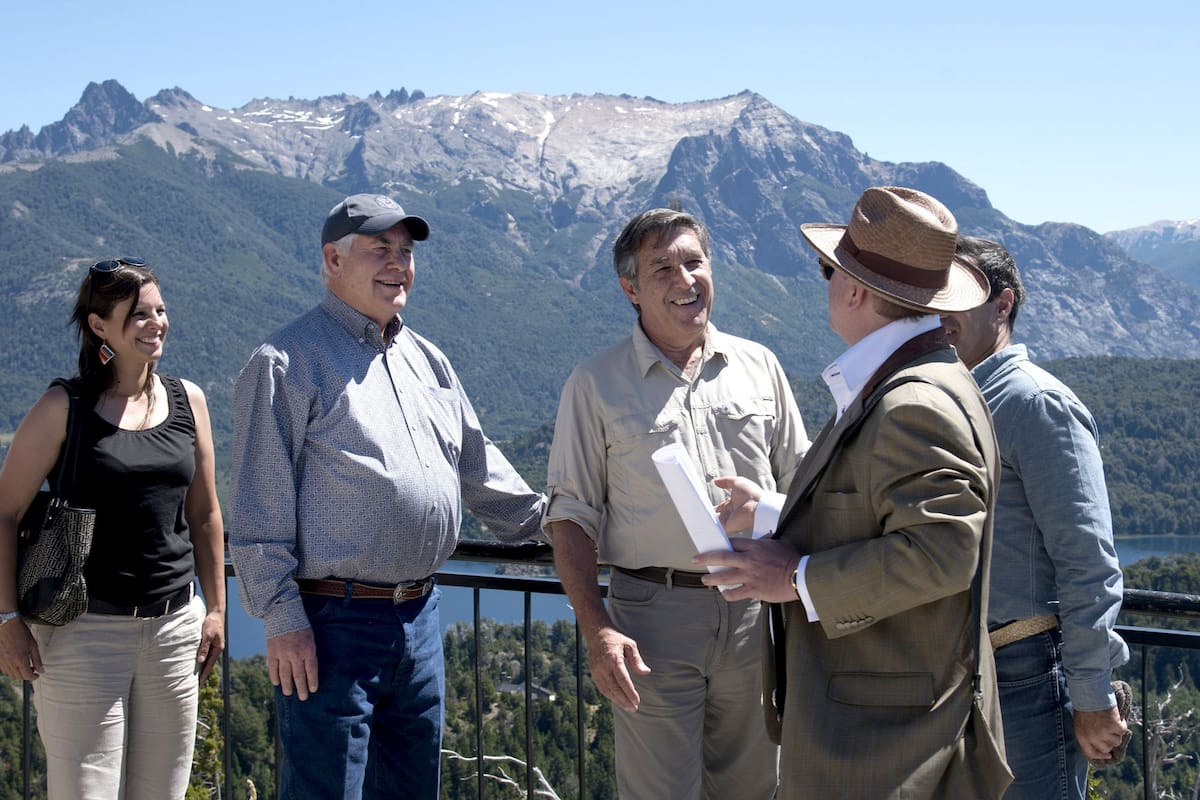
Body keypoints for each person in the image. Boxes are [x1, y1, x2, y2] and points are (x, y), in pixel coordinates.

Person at [695, 186, 1013, 798]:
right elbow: (877, 511)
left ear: (856, 290)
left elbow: (942, 553)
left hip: (886, 742)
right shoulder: (915, 383)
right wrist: (768, 511)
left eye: (826, 269)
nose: (826, 284)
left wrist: (796, 579)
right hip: (883, 729)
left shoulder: (913, 403)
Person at [229, 193, 547, 799]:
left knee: (409, 790)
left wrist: (563, 522)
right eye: (380, 250)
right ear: (333, 259)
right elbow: (257, 510)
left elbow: (482, 473)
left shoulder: (429, 360)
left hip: (421, 617)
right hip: (330, 626)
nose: (398, 264)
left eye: (405, 252)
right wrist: (282, 619)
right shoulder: (287, 362)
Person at [545, 208, 810, 799]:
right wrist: (598, 630)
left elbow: (806, 489)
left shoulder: (760, 366)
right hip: (650, 620)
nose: (685, 279)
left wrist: (770, 514)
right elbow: (569, 517)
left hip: (755, 614)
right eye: (662, 267)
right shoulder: (595, 384)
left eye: (694, 261)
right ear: (630, 289)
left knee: (753, 789)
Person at [0, 257, 225, 800]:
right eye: (139, 314)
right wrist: (6, 617)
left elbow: (205, 514)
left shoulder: (187, 401)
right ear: (100, 326)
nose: (156, 323)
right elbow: (4, 512)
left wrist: (215, 610)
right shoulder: (65, 407)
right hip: (82, 634)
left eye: (160, 311)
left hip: (174, 630)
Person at [940, 236, 1130, 798]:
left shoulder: (1035, 404)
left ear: (1004, 304)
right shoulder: (954, 400)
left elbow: (1088, 563)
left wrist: (1092, 698)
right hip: (959, 671)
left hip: (1025, 674)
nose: (941, 312)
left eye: (959, 295)